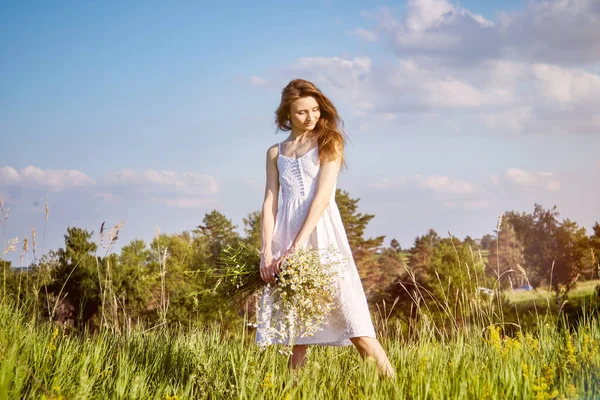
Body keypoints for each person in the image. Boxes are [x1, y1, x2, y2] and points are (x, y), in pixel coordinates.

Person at [256, 78, 395, 378]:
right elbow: (270, 202)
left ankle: (398, 389)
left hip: (321, 235)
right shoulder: (274, 153)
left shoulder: (329, 141)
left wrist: (296, 247)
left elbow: (321, 198)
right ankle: (293, 392)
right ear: (286, 115)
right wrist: (267, 251)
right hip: (285, 237)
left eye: (315, 109)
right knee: (297, 333)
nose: (311, 117)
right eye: (302, 112)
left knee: (354, 320)